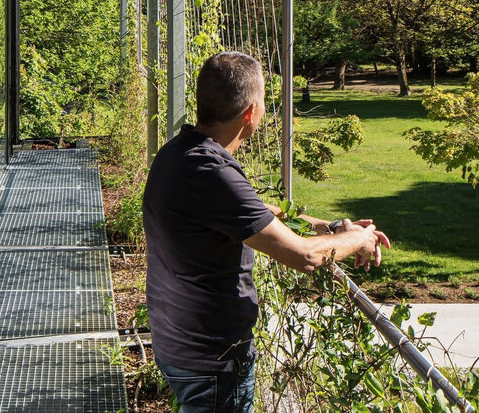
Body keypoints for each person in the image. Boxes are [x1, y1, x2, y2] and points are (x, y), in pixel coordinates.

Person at [142, 50, 390, 413]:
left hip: (177, 340)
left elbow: (250, 214)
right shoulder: (214, 174)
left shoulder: (178, 153)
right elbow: (305, 256)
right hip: (212, 359)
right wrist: (359, 238)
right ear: (250, 112)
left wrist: (326, 225)